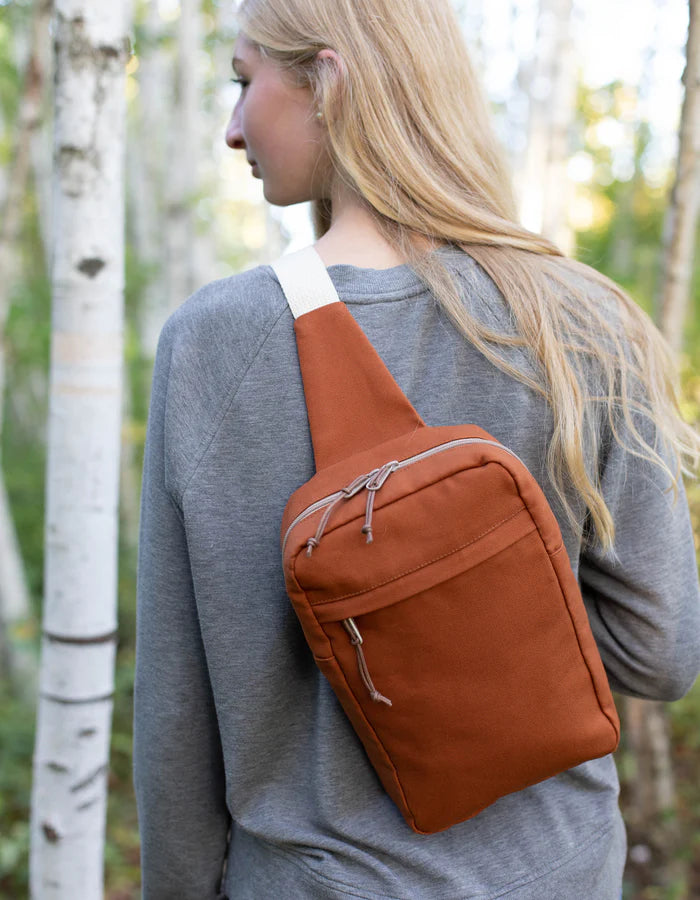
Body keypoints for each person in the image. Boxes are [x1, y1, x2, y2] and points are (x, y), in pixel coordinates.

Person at [132, 0, 700, 897]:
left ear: (328, 82)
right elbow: (659, 652)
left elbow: (178, 707)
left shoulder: (214, 342)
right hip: (554, 873)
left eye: (244, 81)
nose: (233, 127)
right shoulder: (580, 323)